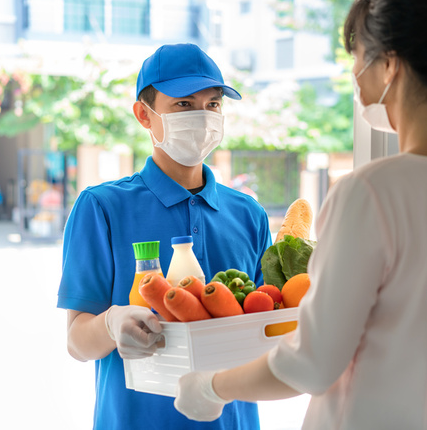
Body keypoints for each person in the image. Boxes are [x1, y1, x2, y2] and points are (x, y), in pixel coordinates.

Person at [174, 0, 427, 429]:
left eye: (359, 57)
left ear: (390, 65)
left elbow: (309, 364)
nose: (354, 73)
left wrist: (210, 386)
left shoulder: (368, 193)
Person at [57, 43, 272, 430]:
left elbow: (267, 328)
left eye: (213, 104)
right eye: (184, 105)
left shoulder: (248, 214)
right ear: (144, 114)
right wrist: (110, 323)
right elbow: (77, 341)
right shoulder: (102, 207)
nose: (203, 117)